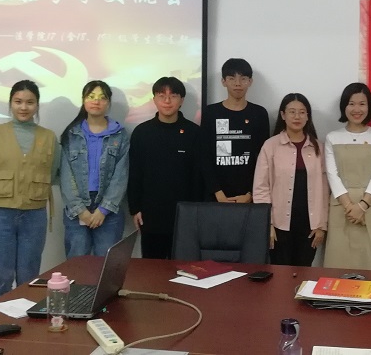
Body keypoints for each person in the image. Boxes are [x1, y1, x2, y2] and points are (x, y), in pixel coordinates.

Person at [0, 80, 61, 299]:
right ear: (11, 103)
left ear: (37, 105)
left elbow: (52, 173)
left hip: (34, 215)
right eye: (18, 101)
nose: (24, 107)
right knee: (1, 276)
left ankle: (26, 318)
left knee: (28, 276)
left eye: (30, 102)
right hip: (0, 215)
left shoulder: (49, 137)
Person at [127, 77, 202, 259]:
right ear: (154, 99)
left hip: (185, 215)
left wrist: (198, 211)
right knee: (153, 269)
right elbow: (135, 173)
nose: (167, 101)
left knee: (184, 269)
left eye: (173, 96)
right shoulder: (142, 133)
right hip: (151, 215)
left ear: (181, 100)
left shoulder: (194, 132)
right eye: (162, 96)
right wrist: (135, 208)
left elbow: (199, 176)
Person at [253, 93, 328, 266]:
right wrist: (267, 224)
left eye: (302, 112)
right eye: (292, 112)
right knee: (280, 274)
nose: (297, 116)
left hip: (310, 226)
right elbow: (261, 187)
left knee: (304, 272)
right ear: (283, 115)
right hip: (278, 224)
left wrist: (321, 225)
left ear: (308, 116)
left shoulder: (318, 147)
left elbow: (324, 189)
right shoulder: (270, 146)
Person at [59, 80, 129, 258]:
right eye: (91, 96)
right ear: (83, 100)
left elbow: (121, 175)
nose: (96, 101)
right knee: (77, 264)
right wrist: (80, 210)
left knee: (105, 265)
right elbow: (65, 175)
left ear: (108, 102)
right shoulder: (71, 134)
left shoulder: (120, 135)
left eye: (102, 97)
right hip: (76, 210)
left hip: (109, 211)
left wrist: (103, 210)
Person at [323, 82, 371, 275]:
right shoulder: (332, 137)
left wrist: (362, 205)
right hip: (341, 206)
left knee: (369, 267)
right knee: (338, 267)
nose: (357, 109)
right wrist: (349, 205)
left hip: (370, 205)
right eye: (351, 104)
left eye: (362, 104)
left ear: (369, 107)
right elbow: (332, 174)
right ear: (344, 106)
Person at [200, 58, 270, 203]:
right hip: (216, 196)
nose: (238, 84)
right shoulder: (210, 112)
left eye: (243, 79)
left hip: (249, 196)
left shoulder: (259, 113)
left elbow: (264, 157)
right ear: (223, 81)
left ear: (250, 81)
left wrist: (251, 193)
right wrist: (217, 192)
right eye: (232, 78)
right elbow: (204, 156)